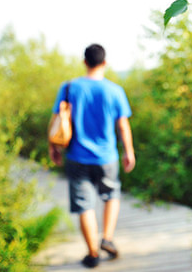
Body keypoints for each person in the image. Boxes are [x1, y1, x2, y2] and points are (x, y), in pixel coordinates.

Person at [49, 44, 136, 268]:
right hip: (107, 157)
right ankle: (107, 237)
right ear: (104, 63)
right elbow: (123, 126)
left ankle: (93, 253)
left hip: (77, 156)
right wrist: (129, 151)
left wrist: (53, 147)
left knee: (84, 205)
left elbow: (57, 119)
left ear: (84, 62)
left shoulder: (69, 87)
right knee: (112, 194)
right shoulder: (115, 90)